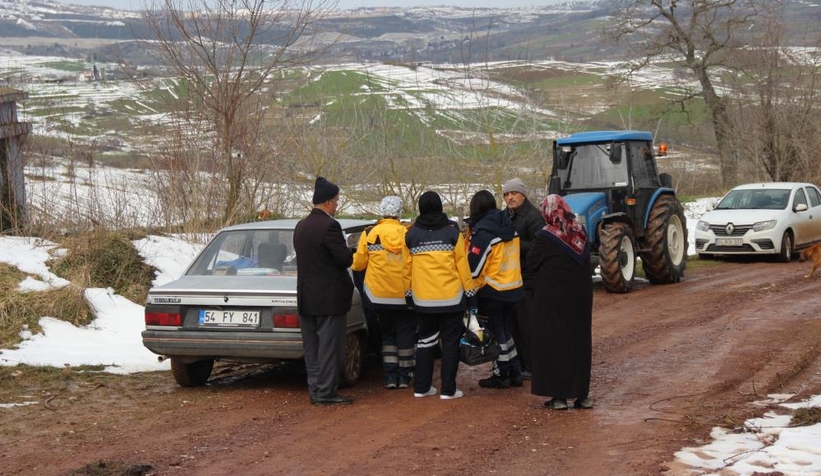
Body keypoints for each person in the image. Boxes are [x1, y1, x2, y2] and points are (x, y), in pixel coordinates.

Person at [405, 191, 477, 400]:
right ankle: (448, 390)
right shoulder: (452, 233)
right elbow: (463, 267)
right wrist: (470, 295)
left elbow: (406, 270)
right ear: (440, 207)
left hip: (423, 300)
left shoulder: (411, 235)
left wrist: (408, 295)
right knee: (450, 343)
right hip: (451, 299)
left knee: (425, 341)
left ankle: (421, 388)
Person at [527, 194, 594, 410]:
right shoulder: (580, 231)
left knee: (555, 343)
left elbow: (531, 262)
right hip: (581, 298)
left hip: (553, 299)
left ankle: (559, 397)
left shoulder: (547, 235)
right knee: (579, 342)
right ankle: (582, 395)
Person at [293, 176, 354, 406]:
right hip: (329, 298)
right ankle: (327, 392)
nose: (337, 204)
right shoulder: (330, 226)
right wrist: (350, 250)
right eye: (336, 200)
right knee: (329, 347)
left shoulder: (301, 226)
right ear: (328, 202)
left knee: (312, 348)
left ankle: (316, 389)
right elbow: (344, 259)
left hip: (306, 296)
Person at [352, 196, 416, 389]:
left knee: (387, 334)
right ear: (400, 212)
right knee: (405, 333)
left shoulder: (369, 233)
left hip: (378, 295)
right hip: (405, 295)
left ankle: (390, 376)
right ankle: (405, 376)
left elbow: (358, 264)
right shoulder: (408, 233)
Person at [465, 190, 524, 389]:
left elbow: (475, 268)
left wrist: (469, 289)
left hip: (493, 290)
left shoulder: (484, 232)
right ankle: (515, 372)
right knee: (505, 331)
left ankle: (502, 374)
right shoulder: (509, 226)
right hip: (514, 287)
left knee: (496, 333)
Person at [502, 177, 546, 380]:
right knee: (513, 324)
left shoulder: (533, 216)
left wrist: (514, 244)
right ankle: (518, 363)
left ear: (523, 194)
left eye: (514, 193)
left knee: (528, 324)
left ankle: (532, 365)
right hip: (510, 278)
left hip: (528, 278)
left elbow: (539, 245)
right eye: (506, 194)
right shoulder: (505, 215)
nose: (510, 197)